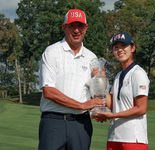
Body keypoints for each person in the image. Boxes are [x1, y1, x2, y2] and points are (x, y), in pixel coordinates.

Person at [38, 9, 105, 150]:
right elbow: (48, 91)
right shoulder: (52, 52)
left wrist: (101, 84)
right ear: (64, 27)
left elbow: (96, 93)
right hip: (53, 122)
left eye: (80, 26)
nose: (76, 30)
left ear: (86, 28)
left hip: (81, 124)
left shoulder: (91, 57)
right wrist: (82, 105)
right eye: (72, 26)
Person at [92, 32, 150, 150]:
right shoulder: (118, 75)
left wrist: (112, 115)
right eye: (116, 47)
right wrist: (102, 79)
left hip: (133, 140)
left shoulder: (138, 73)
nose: (120, 50)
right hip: (114, 137)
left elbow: (141, 109)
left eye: (124, 46)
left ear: (133, 48)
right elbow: (112, 104)